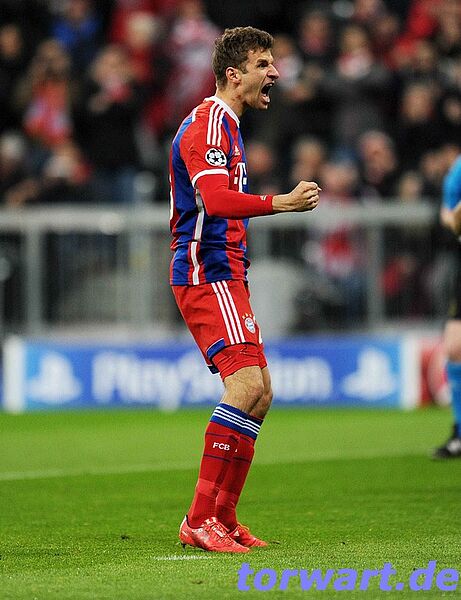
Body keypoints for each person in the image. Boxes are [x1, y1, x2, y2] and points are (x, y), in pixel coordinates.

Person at [169, 26, 321, 553]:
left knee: (261, 393)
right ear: (233, 74)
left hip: (229, 273)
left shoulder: (229, 126)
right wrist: (281, 202)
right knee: (245, 387)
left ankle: (224, 517)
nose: (274, 72)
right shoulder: (208, 124)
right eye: (263, 64)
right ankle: (198, 519)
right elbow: (214, 200)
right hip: (206, 272)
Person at [432, 153, 461, 458]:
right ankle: (460, 432)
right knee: (454, 347)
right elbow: (447, 217)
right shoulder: (458, 169)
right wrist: (458, 217)